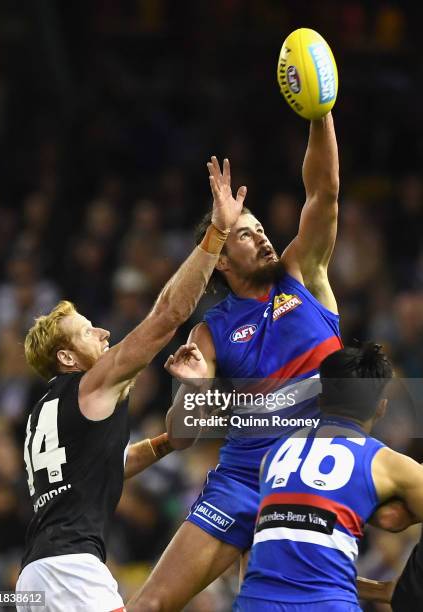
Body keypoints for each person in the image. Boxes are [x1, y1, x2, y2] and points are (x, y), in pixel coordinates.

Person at [128, 113, 342, 611]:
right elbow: (182, 434)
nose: (264, 236)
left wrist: (319, 112)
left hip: (312, 472)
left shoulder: (302, 274)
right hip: (243, 478)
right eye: (246, 234)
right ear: (221, 260)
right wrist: (195, 391)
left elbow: (324, 194)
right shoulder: (211, 330)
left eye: (261, 227)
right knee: (148, 606)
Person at [14, 167, 247, 612]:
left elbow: (107, 465)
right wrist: (216, 232)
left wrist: (162, 445)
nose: (103, 332)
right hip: (71, 574)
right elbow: (167, 316)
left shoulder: (45, 413)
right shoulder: (89, 385)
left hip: (34, 580)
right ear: (66, 358)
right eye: (86, 333)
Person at [234, 343, 423, 611]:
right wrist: (406, 590)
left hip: (256, 601)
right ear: (381, 407)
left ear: (321, 399)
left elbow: (266, 557)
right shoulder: (387, 464)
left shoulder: (273, 456)